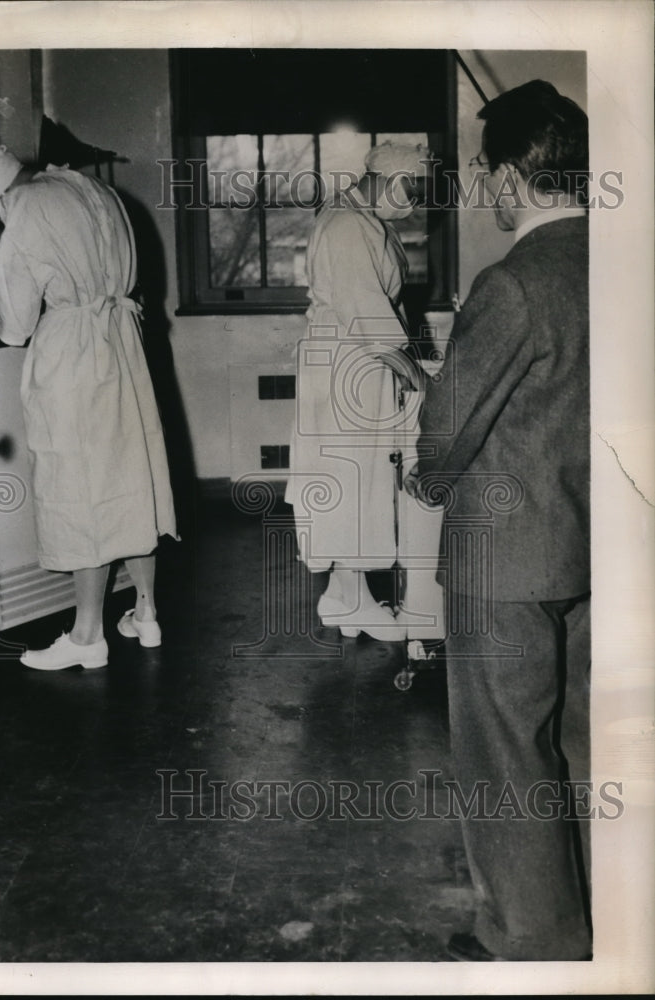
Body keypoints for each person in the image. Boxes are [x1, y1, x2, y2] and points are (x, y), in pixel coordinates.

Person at [409, 81, 591, 960]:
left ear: (515, 174)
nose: (484, 189)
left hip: (508, 555)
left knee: (506, 751)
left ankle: (529, 939)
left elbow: (448, 426)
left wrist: (425, 478)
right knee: (585, 742)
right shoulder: (622, 261)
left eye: (487, 171)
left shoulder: (514, 280)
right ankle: (603, 917)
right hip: (601, 543)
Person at [0, 145, 178, 669]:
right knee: (132, 478)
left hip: (74, 351)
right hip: (124, 343)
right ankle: (146, 612)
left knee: (81, 487)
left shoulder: (27, 209)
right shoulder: (94, 189)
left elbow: (14, 324)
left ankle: (88, 637)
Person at [285, 141, 427, 641]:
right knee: (351, 474)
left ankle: (345, 595)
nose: (414, 197)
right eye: (412, 185)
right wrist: (416, 374)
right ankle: (354, 598)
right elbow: (367, 310)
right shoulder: (347, 223)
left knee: (360, 474)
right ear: (389, 176)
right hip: (348, 360)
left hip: (358, 360)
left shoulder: (366, 219)